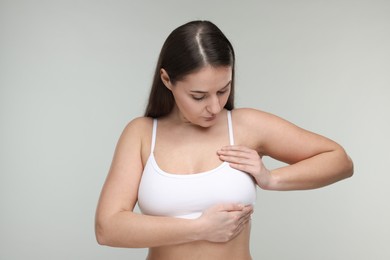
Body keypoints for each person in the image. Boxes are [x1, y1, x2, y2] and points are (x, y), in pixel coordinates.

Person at [95, 20, 353, 260]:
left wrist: (271, 178)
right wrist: (200, 228)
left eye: (223, 90)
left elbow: (339, 160)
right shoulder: (141, 134)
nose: (215, 107)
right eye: (199, 96)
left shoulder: (246, 126)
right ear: (166, 80)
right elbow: (107, 228)